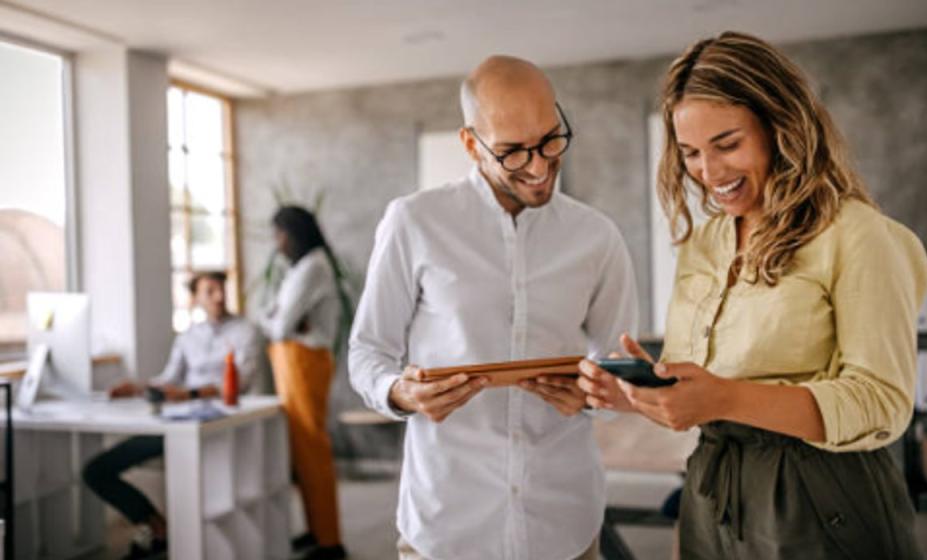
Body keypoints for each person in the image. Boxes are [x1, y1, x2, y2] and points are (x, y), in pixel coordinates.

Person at [578, 31, 927, 560]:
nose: (709, 173)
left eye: (727, 144)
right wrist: (637, 396)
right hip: (714, 492)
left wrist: (723, 397)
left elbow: (882, 403)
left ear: (780, 127)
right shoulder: (705, 243)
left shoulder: (857, 235)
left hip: (823, 495)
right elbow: (707, 395)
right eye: (691, 153)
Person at [349, 55, 640, 560]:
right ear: (470, 143)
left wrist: (596, 395)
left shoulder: (598, 238)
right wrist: (401, 392)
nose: (538, 165)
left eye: (551, 139)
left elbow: (622, 367)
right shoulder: (413, 222)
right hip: (446, 522)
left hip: (565, 522)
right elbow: (368, 351)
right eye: (511, 152)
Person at [83, 271, 262, 560]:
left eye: (221, 289)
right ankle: (157, 526)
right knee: (97, 471)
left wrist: (189, 394)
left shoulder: (246, 331)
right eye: (209, 291)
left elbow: (240, 383)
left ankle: (181, 541)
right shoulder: (187, 337)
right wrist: (138, 388)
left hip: (218, 424)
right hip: (178, 423)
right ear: (195, 299)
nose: (218, 296)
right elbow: (169, 379)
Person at [260, 206, 346, 560]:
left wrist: (277, 319)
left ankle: (329, 541)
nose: (277, 243)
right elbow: (274, 317)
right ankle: (316, 531)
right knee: (302, 451)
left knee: (312, 448)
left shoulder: (312, 266)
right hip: (293, 361)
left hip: (304, 362)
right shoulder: (301, 267)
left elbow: (276, 324)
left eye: (280, 234)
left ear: (294, 233)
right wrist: (278, 319)